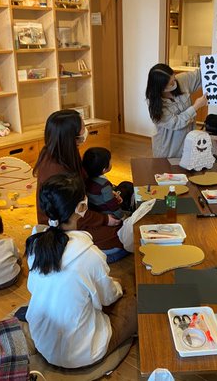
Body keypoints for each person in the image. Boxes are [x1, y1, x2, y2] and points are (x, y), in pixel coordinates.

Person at [25, 173, 137, 368]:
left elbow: (35, 287)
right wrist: (118, 288)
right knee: (132, 297)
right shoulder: (89, 254)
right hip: (83, 352)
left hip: (42, 342)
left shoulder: (35, 244)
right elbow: (108, 298)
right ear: (81, 207)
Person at [33, 110, 127, 254]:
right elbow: (71, 215)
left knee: (125, 192)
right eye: (83, 127)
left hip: (79, 209)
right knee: (120, 234)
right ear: (71, 136)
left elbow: (83, 179)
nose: (85, 130)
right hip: (65, 223)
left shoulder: (65, 151)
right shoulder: (57, 170)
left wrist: (105, 193)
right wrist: (104, 219)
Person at [146, 50, 217, 158]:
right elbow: (176, 123)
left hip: (187, 142)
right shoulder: (154, 103)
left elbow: (200, 75)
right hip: (167, 149)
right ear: (160, 88)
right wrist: (196, 106)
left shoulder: (181, 80)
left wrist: (216, 59)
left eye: (174, 79)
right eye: (171, 83)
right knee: (169, 167)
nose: (175, 83)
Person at [82, 147, 133, 219]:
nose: (111, 162)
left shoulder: (86, 178)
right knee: (127, 186)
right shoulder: (104, 185)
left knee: (124, 184)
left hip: (98, 208)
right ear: (104, 169)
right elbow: (113, 205)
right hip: (110, 213)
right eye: (110, 161)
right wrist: (123, 217)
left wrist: (111, 192)